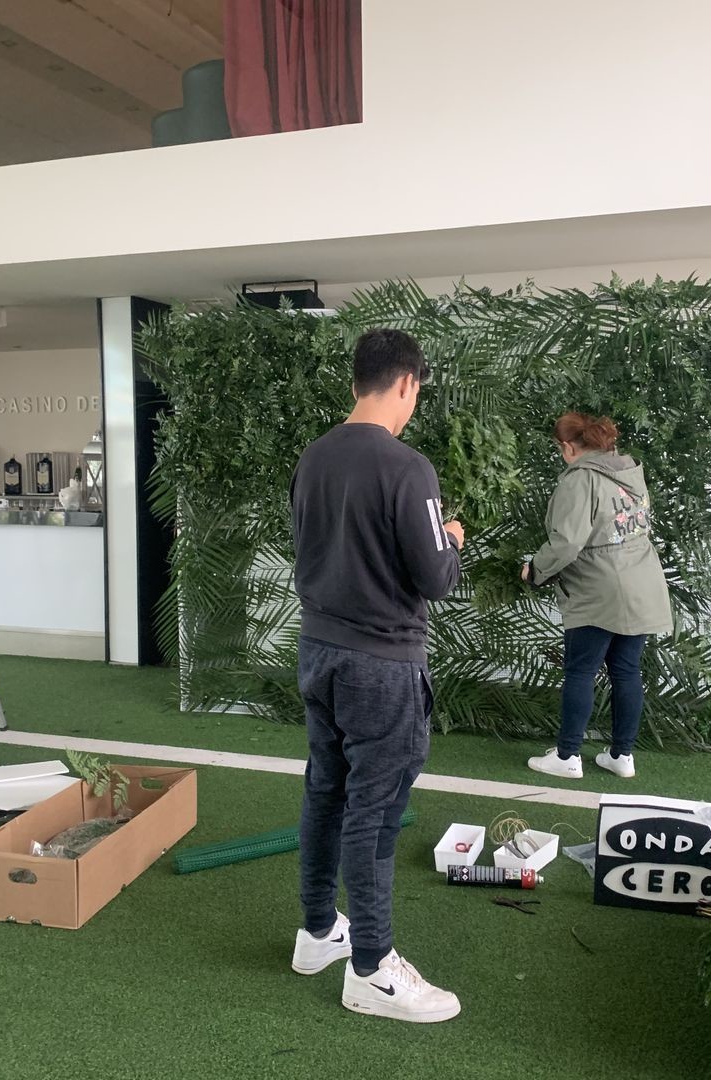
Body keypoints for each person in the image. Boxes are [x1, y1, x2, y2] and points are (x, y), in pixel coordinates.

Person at [289, 328, 464, 1024]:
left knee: (325, 793)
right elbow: (435, 579)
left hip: (320, 653)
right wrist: (449, 540)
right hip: (382, 667)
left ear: (356, 381)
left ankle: (317, 932)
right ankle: (371, 970)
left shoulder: (314, 457)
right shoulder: (408, 468)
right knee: (374, 814)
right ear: (407, 385)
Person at [522, 412, 672, 781]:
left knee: (581, 669)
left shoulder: (580, 480)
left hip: (599, 587)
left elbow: (567, 542)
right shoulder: (630, 472)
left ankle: (567, 756)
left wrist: (535, 570)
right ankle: (622, 755)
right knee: (627, 670)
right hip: (642, 582)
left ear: (569, 446)